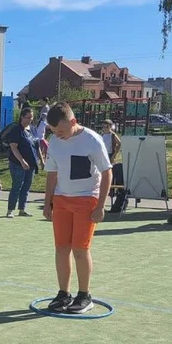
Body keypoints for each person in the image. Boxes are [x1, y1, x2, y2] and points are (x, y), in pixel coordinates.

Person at [43, 103, 113, 314]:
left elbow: (107, 172)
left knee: (80, 249)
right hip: (62, 200)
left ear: (73, 122)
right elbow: (52, 174)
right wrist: (47, 202)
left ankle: (84, 295)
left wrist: (101, 205)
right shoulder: (54, 142)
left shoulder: (92, 140)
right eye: (54, 132)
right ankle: (64, 294)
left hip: (86, 199)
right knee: (62, 248)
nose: (58, 135)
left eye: (61, 131)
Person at [6, 107, 40, 218]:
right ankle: (10, 210)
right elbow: (13, 147)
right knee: (17, 186)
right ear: (22, 117)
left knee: (26, 187)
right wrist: (22, 161)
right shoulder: (16, 130)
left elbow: (37, 145)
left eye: (32, 117)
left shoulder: (33, 129)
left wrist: (41, 160)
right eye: (28, 117)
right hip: (17, 164)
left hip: (31, 164)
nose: (30, 119)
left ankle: (22, 209)